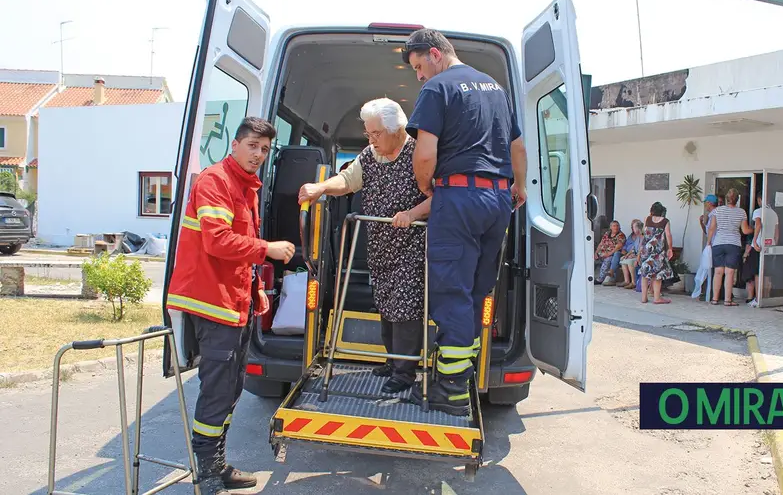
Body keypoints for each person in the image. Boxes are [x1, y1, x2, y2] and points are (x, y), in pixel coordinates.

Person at [166, 117, 295, 494]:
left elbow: (236, 250)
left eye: (265, 150)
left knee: (231, 388)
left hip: (232, 303)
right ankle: (206, 474)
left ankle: (217, 465)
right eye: (252, 146)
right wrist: (266, 249)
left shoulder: (245, 187)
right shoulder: (215, 182)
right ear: (236, 144)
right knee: (217, 390)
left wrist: (254, 291)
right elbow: (218, 242)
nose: (258, 154)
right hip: (211, 303)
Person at [402, 28, 525, 416]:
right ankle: (460, 374)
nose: (420, 76)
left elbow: (425, 153)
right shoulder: (496, 89)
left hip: (458, 197)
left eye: (420, 66)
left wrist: (426, 188)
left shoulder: (438, 90)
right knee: (475, 291)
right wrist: (517, 187)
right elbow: (517, 146)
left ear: (436, 54)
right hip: (497, 200)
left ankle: (451, 391)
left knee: (451, 290)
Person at [297, 98, 430, 394]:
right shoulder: (370, 155)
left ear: (398, 130)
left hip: (411, 245)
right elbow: (347, 180)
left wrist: (412, 215)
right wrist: (320, 188)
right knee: (385, 303)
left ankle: (405, 372)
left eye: (376, 134)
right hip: (380, 246)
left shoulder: (419, 153)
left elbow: (441, 195)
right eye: (368, 134)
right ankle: (393, 361)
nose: (371, 140)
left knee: (405, 308)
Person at [707, 188, 753, 306]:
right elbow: (745, 230)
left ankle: (714, 299)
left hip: (718, 243)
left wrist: (708, 242)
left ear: (726, 199)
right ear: (737, 200)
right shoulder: (741, 212)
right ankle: (727, 300)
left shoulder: (717, 211)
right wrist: (757, 228)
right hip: (733, 244)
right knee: (730, 272)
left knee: (718, 272)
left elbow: (712, 228)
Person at [743, 191, 780, 307]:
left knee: (758, 273)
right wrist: (774, 245)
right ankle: (766, 298)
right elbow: (777, 233)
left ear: (759, 200)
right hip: (770, 246)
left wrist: (754, 241)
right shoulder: (774, 213)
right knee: (767, 274)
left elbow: (758, 225)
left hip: (758, 246)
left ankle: (758, 300)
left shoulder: (758, 211)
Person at [639, 202, 674, 304]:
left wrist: (641, 247)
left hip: (646, 249)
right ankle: (657, 298)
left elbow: (644, 233)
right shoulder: (665, 221)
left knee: (645, 274)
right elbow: (668, 235)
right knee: (657, 274)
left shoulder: (647, 219)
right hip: (658, 251)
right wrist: (670, 248)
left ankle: (644, 298)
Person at [693, 194, 718, 300]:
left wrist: (708, 244)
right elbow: (708, 232)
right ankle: (708, 293)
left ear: (710, 203)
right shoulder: (711, 214)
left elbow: (712, 232)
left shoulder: (714, 214)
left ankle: (710, 294)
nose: (705, 206)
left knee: (709, 270)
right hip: (711, 244)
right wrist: (702, 223)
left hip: (713, 245)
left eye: (706, 203)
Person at [595, 220, 626, 286]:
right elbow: (601, 244)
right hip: (602, 253)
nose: (616, 227)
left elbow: (618, 247)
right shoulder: (607, 233)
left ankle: (601, 278)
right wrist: (596, 253)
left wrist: (608, 254)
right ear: (611, 227)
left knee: (608, 259)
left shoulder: (621, 235)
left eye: (617, 226)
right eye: (614, 226)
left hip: (612, 254)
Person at [619, 219, 644, 289]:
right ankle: (627, 281)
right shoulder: (637, 237)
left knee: (630, 262)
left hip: (641, 257)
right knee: (623, 261)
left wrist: (635, 257)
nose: (633, 229)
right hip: (636, 255)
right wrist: (627, 255)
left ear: (638, 228)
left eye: (634, 227)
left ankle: (634, 282)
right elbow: (633, 248)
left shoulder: (643, 236)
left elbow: (641, 250)